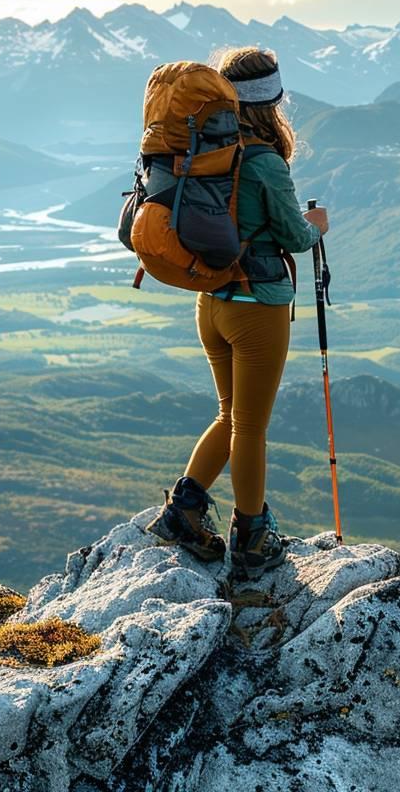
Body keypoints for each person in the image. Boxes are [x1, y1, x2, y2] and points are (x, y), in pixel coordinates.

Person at [147, 46, 329, 580]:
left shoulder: (202, 151)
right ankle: (252, 537)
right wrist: (317, 223)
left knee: (229, 416)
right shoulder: (265, 161)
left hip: (211, 302)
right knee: (250, 426)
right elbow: (295, 236)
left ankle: (183, 511)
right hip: (257, 307)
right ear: (271, 102)